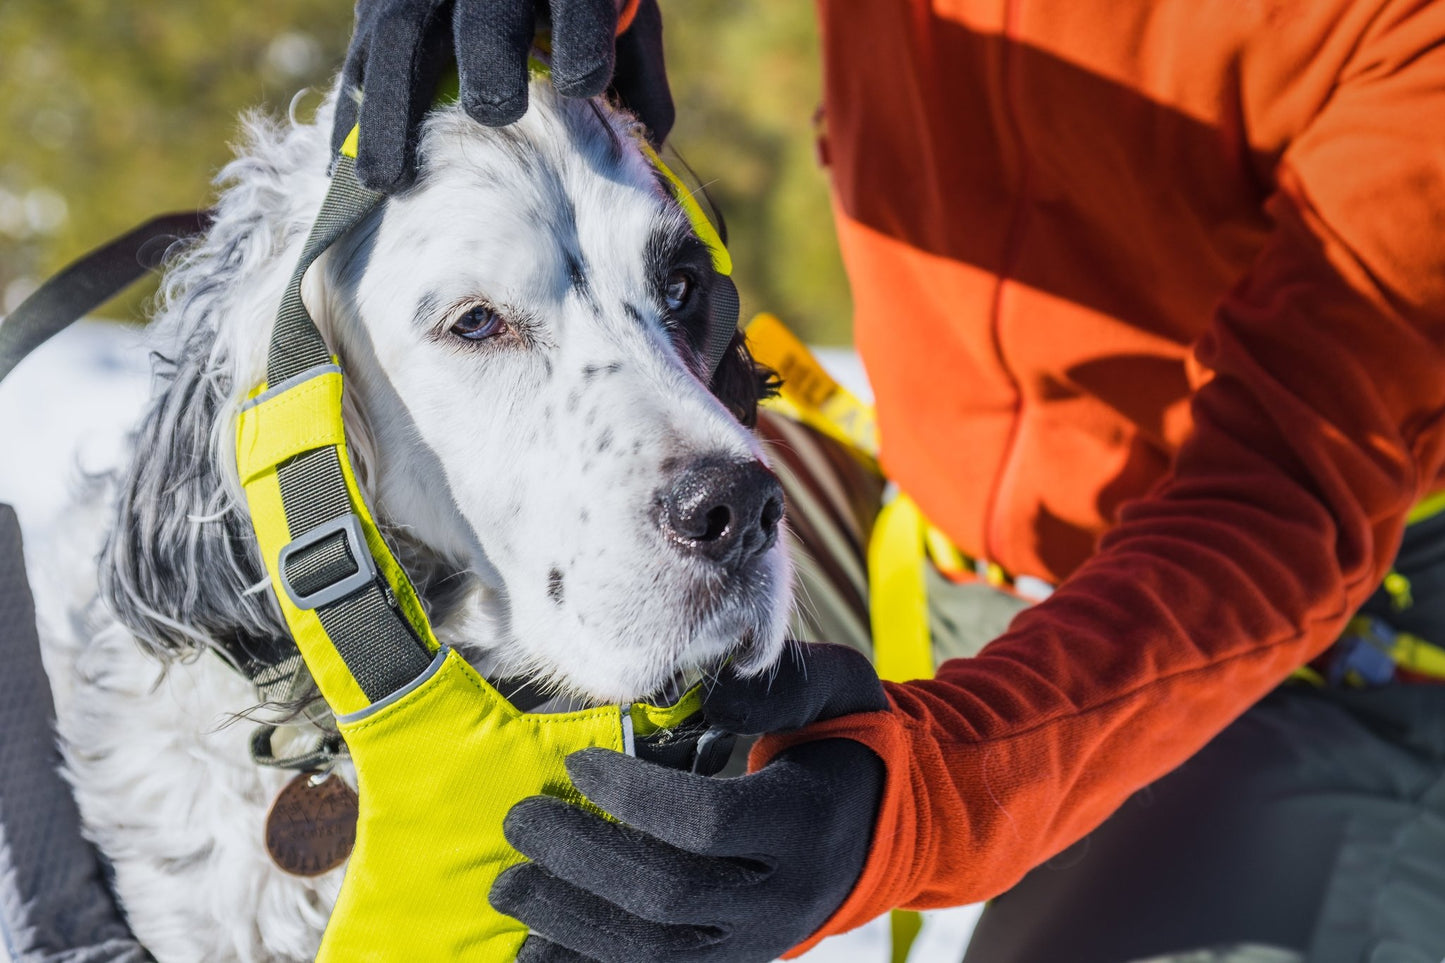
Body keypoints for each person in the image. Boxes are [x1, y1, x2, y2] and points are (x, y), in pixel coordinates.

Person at [5, 0, 1445, 960]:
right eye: (475, 325)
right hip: (939, 552)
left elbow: (1285, 498)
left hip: (1345, 634)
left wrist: (920, 801)